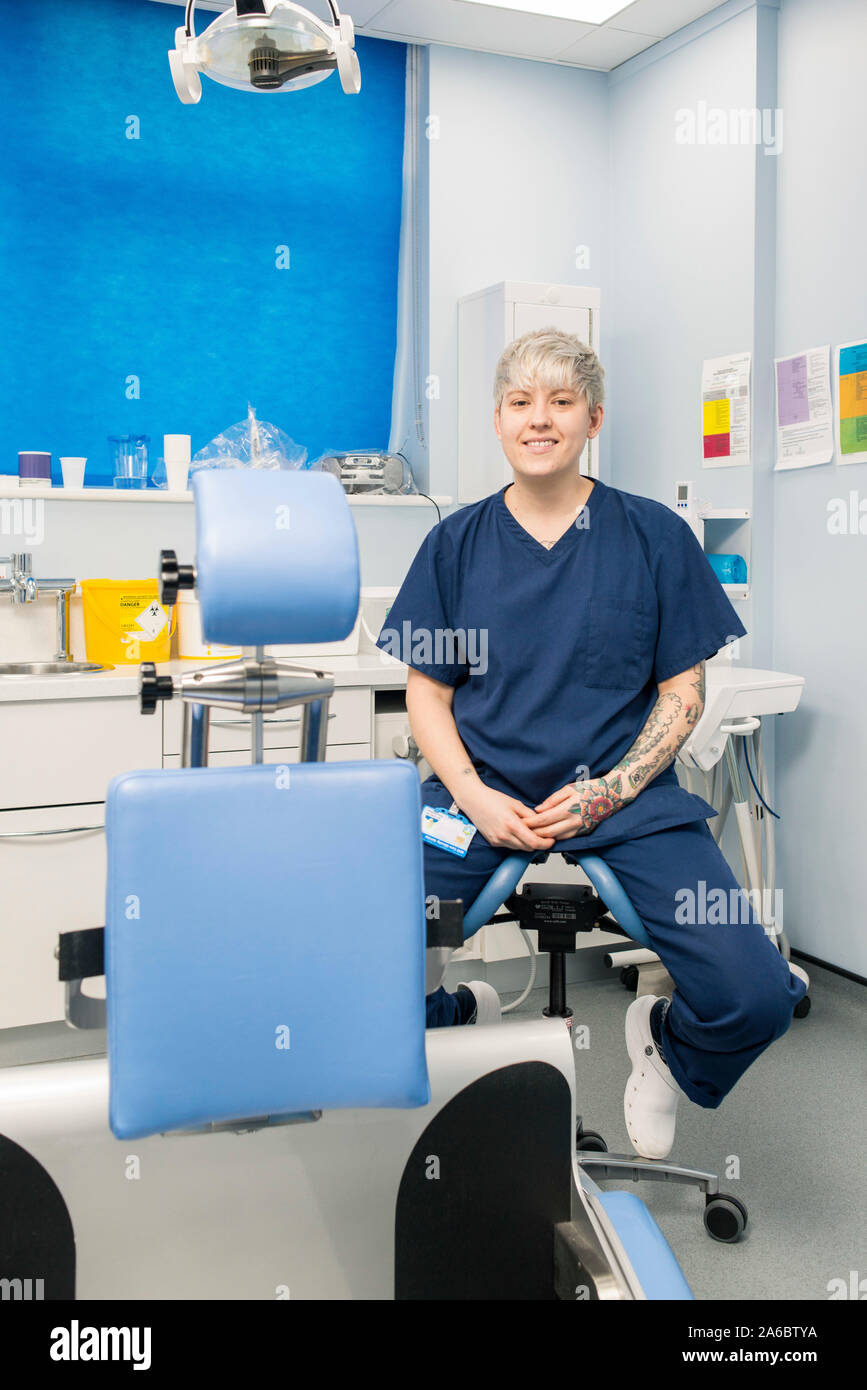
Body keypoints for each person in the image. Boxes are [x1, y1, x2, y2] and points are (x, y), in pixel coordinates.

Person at [376, 327, 806, 1159]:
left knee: (755, 995)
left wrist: (609, 788)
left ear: (592, 419)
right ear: (498, 422)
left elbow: (685, 691)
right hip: (479, 794)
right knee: (356, 950)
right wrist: (469, 793)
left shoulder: (651, 536)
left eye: (560, 402)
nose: (540, 419)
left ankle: (664, 1048)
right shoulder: (455, 545)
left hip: (627, 804)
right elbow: (426, 693)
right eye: (520, 402)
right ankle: (451, 1016)